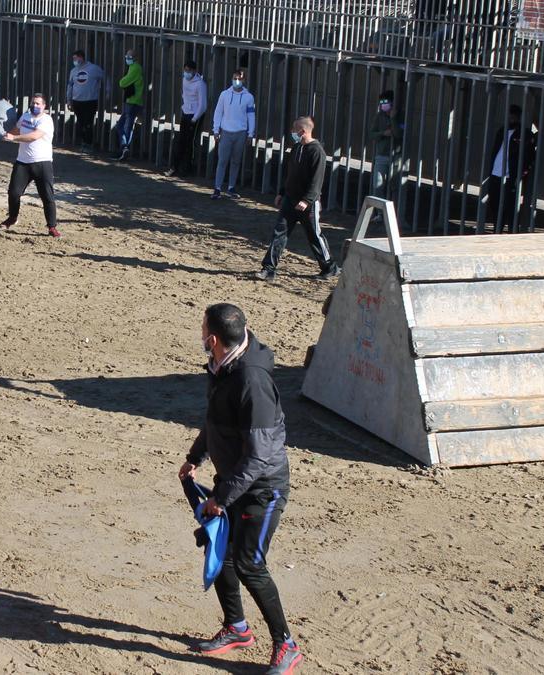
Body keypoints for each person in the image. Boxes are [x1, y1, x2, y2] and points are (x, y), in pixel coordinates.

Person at [179, 303, 303, 675]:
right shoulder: (225, 366)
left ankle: (287, 644)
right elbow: (218, 419)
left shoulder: (251, 380)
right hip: (235, 479)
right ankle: (236, 628)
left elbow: (260, 455)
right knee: (219, 553)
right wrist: (196, 455)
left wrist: (221, 497)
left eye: (203, 330)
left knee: (248, 563)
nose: (201, 335)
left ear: (213, 339)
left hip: (263, 488)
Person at [256, 117, 337, 281]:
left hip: (307, 204)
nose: (293, 133)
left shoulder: (316, 151)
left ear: (303, 131)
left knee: (314, 235)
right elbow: (290, 174)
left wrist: (307, 200)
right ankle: (268, 268)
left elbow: (317, 180)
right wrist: (282, 192)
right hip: (290, 199)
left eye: (295, 130)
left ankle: (329, 267)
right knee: (279, 233)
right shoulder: (296, 148)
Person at [2, 93, 60, 238]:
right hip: (23, 162)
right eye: (33, 103)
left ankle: (51, 226)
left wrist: (14, 138)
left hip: (42, 163)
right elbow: (16, 129)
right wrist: (3, 134)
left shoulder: (46, 120)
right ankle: (12, 218)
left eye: (38, 104)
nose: (35, 106)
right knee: (14, 193)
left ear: (44, 106)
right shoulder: (25, 117)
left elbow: (33, 136)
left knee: (47, 197)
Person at [480, 104, 536, 234]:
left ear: (518, 117)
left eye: (514, 116)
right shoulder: (502, 131)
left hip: (511, 175)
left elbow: (529, 155)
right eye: (510, 116)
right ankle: (497, 230)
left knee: (510, 206)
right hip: (496, 174)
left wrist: (522, 173)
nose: (511, 119)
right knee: (495, 203)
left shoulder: (525, 134)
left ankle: (511, 231)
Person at [210, 69, 256, 200]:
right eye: (235, 78)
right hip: (226, 132)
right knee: (222, 161)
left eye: (239, 79)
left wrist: (250, 133)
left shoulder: (248, 97)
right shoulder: (224, 94)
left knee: (236, 161)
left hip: (240, 133)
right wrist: (216, 130)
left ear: (243, 80)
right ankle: (217, 188)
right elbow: (218, 112)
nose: (237, 81)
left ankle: (231, 187)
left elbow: (251, 115)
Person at [164, 59, 208, 178]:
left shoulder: (200, 84)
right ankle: (175, 167)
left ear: (194, 71)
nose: (186, 72)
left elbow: (203, 105)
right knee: (181, 141)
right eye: (185, 70)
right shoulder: (185, 79)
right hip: (186, 113)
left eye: (189, 70)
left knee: (190, 142)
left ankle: (187, 168)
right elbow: (184, 95)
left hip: (195, 115)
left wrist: (194, 118)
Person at [67, 50, 105, 152]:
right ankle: (84, 143)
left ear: (81, 57)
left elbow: (105, 77)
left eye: (76, 58)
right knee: (81, 123)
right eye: (73, 59)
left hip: (90, 101)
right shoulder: (73, 71)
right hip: (77, 101)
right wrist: (69, 100)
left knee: (88, 123)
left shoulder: (94, 68)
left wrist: (108, 91)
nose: (74, 61)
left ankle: (88, 144)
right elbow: (70, 85)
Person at [368, 90, 402, 200]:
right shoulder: (379, 116)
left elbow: (399, 134)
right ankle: (380, 214)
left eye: (385, 102)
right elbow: (371, 134)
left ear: (392, 103)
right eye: (381, 102)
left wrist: (393, 119)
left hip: (396, 157)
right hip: (381, 156)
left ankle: (392, 215)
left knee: (394, 188)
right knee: (377, 186)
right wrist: (383, 133)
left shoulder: (400, 116)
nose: (383, 104)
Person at [113, 49, 145, 162]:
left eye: (129, 56)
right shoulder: (134, 67)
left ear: (135, 58)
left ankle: (124, 148)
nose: (127, 58)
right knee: (123, 126)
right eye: (126, 56)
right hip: (132, 101)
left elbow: (122, 82)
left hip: (133, 101)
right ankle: (124, 148)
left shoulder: (135, 68)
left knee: (125, 126)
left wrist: (123, 81)